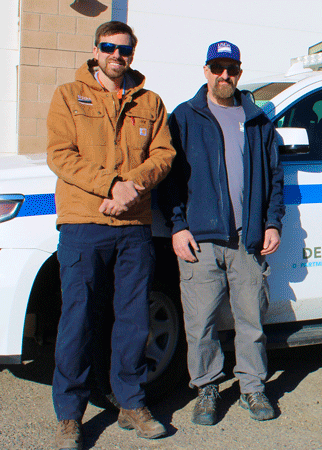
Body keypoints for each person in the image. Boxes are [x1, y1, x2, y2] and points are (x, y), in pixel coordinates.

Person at [46, 20, 175, 450]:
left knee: (134, 320)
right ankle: (69, 415)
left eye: (125, 50)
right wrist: (111, 186)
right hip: (84, 223)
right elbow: (61, 155)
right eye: (109, 47)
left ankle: (131, 404)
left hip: (133, 227)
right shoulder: (68, 96)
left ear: (132, 55)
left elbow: (164, 154)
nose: (117, 55)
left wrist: (132, 187)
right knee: (77, 321)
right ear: (96, 50)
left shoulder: (150, 102)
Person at [159, 41, 285, 424]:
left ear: (240, 73)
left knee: (252, 322)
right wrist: (177, 227)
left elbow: (275, 177)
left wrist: (273, 223)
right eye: (217, 68)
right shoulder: (184, 117)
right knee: (201, 324)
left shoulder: (258, 120)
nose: (224, 75)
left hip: (248, 240)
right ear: (206, 71)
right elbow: (169, 181)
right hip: (201, 241)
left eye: (231, 69)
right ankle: (208, 388)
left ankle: (252, 388)